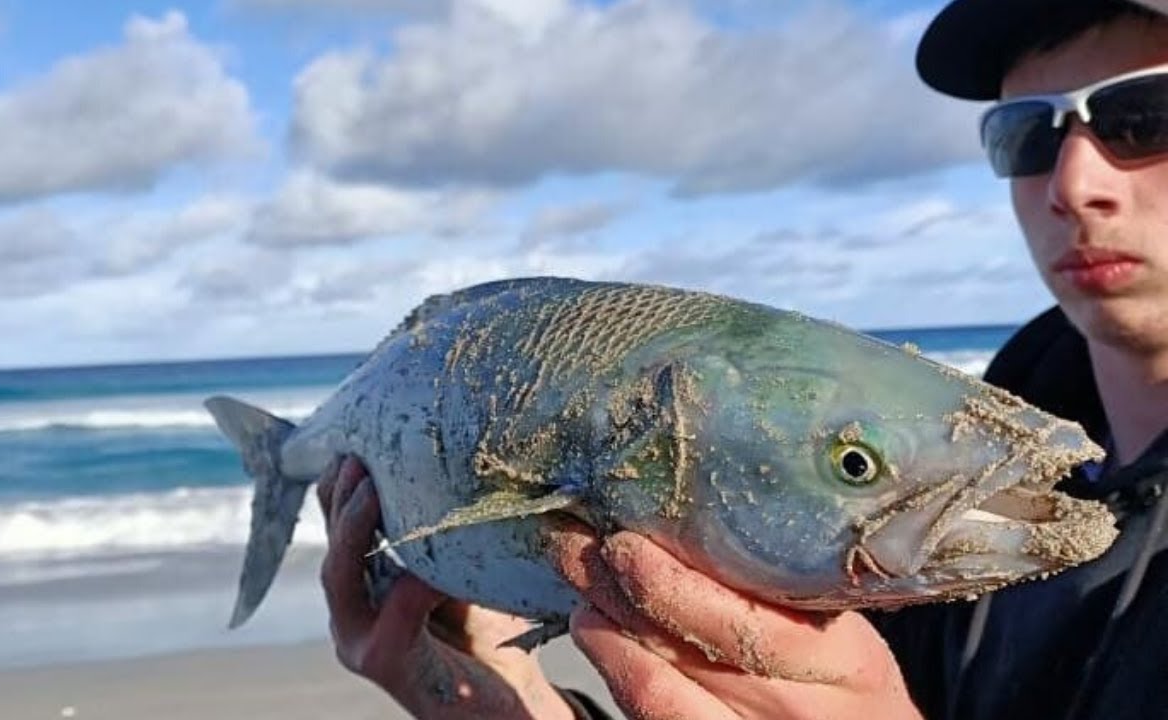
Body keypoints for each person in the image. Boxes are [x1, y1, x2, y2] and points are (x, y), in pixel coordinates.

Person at [315, 0, 1168, 717]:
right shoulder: (945, 502)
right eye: (1026, 135)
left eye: (1143, 116)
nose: (1073, 181)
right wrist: (508, 700)